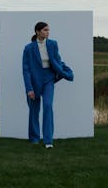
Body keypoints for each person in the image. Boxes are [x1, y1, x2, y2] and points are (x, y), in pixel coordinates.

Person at [22, 21, 73, 149]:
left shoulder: (53, 44)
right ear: (37, 32)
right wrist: (29, 89)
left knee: (48, 105)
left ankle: (48, 140)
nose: (47, 32)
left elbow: (57, 60)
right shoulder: (28, 48)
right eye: (45, 30)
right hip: (34, 81)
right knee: (34, 109)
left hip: (48, 79)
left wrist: (64, 70)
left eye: (48, 30)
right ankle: (34, 138)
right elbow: (26, 69)